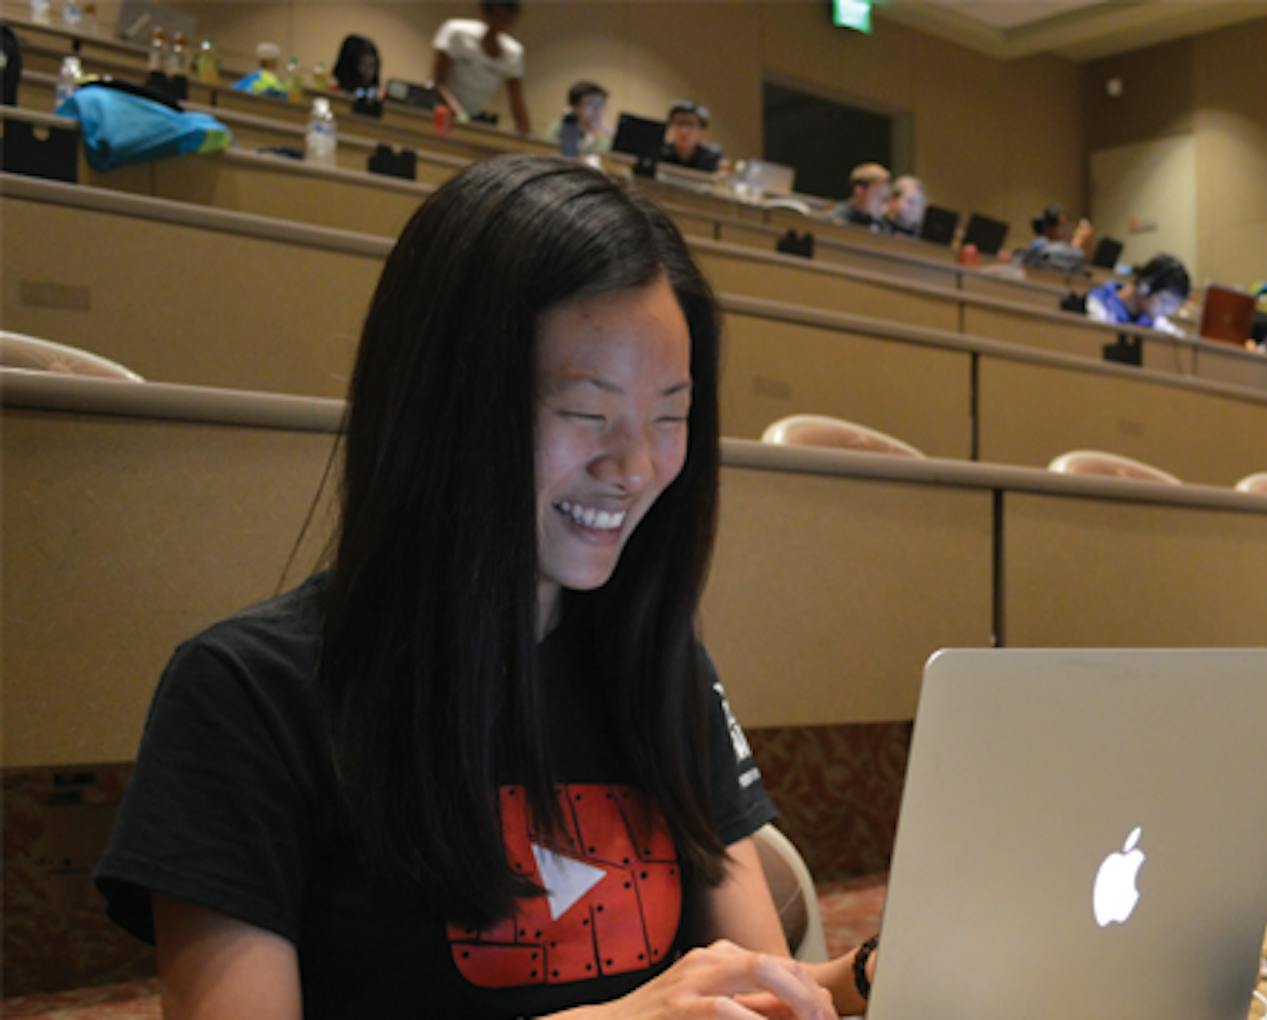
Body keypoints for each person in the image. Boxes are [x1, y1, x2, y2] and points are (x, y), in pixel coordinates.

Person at [93, 156, 868, 1017]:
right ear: (449, 406)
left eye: (670, 417)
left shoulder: (655, 659)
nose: (637, 466)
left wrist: (871, 975)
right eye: (586, 413)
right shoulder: (246, 694)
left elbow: (761, 989)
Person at [432, 0, 530, 136]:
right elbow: (438, 82)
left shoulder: (513, 52)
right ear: (487, 13)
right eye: (498, 16)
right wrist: (458, 113)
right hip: (438, 110)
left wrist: (525, 132)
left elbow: (516, 99)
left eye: (507, 18)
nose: (502, 22)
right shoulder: (456, 31)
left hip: (472, 117)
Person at [1084, 253, 1189, 335]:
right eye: (1164, 301)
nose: (1167, 311)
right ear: (1144, 288)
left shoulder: (1151, 317)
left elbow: (1180, 339)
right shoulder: (1098, 304)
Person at [1015, 204, 1094, 273]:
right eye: (1062, 225)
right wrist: (1078, 241)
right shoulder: (1039, 244)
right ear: (1048, 228)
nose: (1066, 230)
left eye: (1067, 225)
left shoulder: (1069, 248)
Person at [545, 80, 609, 159]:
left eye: (601, 105)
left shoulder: (605, 140)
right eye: (590, 104)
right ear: (574, 107)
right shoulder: (559, 128)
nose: (597, 110)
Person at [658, 100, 722, 173]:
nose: (683, 131)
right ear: (670, 127)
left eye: (690, 125)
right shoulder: (659, 151)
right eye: (679, 123)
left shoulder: (711, 158)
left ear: (702, 132)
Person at [829, 162, 890, 229]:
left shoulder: (880, 224)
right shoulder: (837, 218)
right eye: (878, 193)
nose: (883, 202)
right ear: (860, 190)